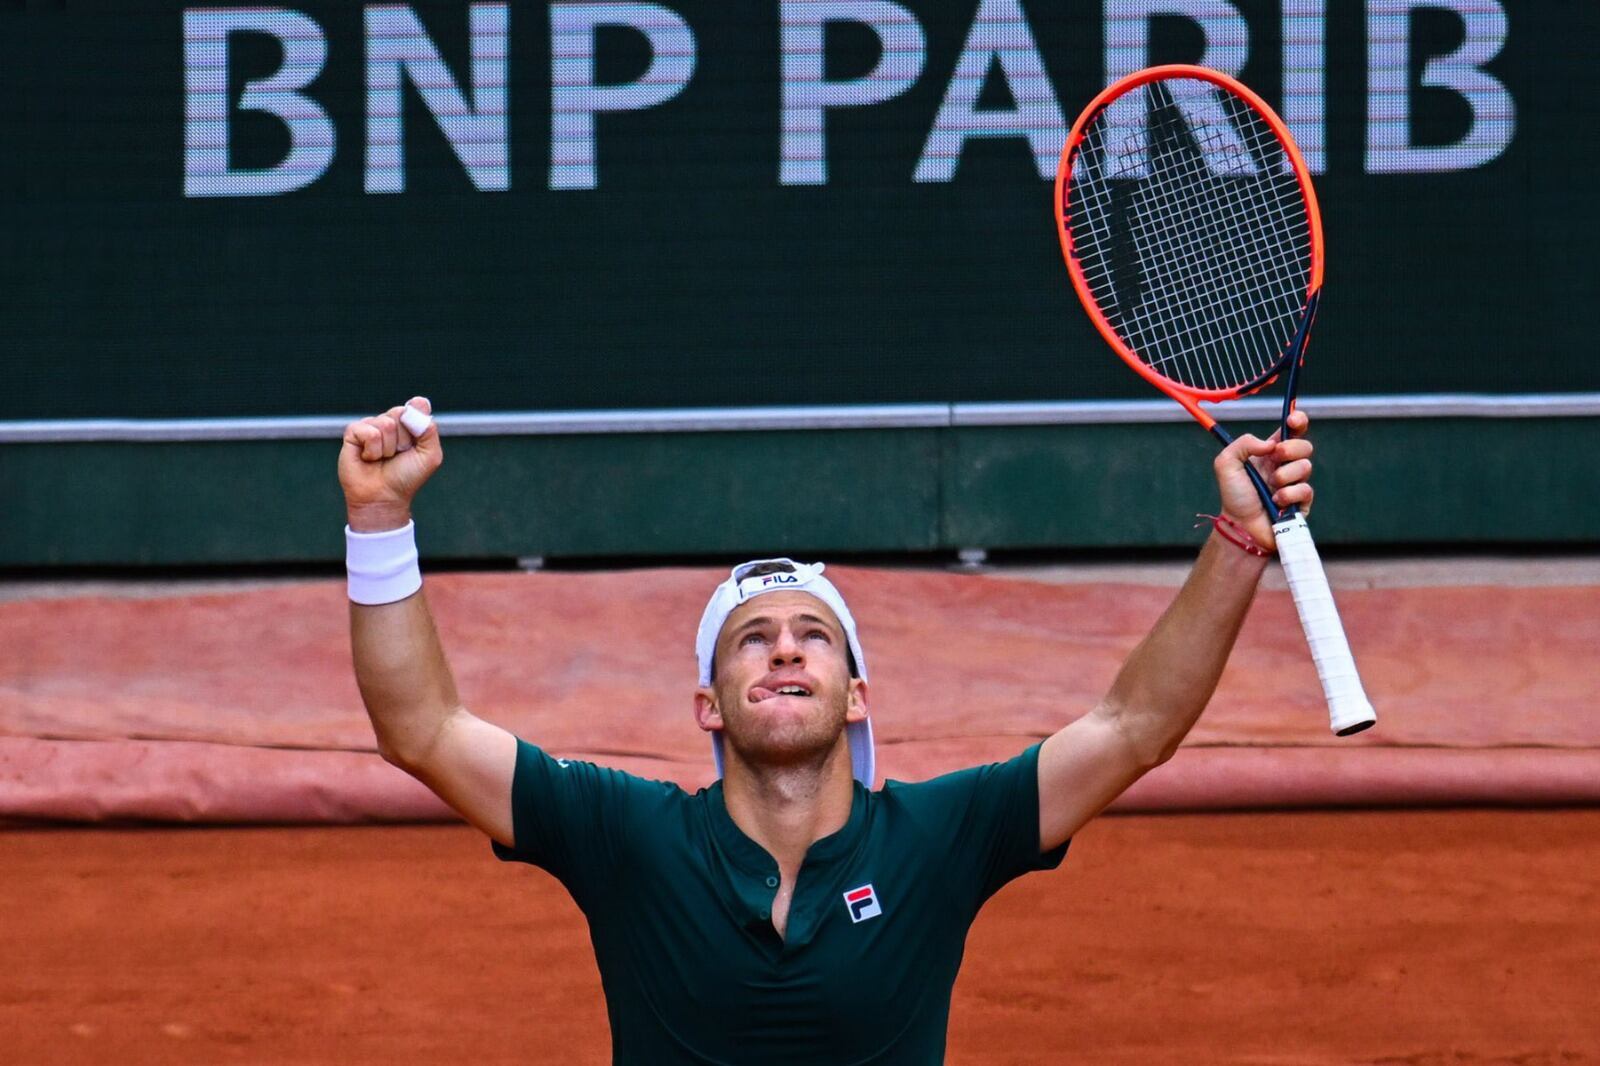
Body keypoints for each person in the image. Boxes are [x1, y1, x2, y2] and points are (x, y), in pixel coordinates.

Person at [338, 395, 1316, 1064]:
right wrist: (379, 518)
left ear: (855, 696)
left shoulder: (941, 839)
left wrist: (1237, 542)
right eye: (750, 641)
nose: (785, 651)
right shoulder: (626, 838)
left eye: (814, 637)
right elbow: (420, 726)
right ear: (708, 706)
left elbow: (1135, 724)